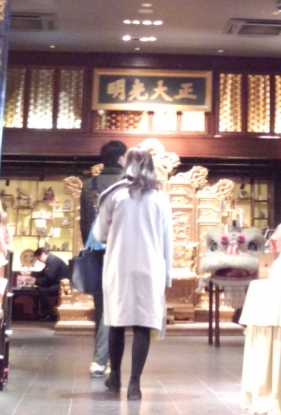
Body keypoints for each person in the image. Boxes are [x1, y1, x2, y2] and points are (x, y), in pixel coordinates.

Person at [94, 147, 172, 401]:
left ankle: (115, 376)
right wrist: (167, 275)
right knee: (143, 324)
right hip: (150, 268)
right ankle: (135, 383)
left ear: (126, 165)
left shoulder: (114, 194)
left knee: (117, 322)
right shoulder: (160, 199)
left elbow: (100, 235)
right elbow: (167, 240)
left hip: (120, 266)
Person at [81, 139, 127, 376]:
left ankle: (103, 359)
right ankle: (100, 360)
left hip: (95, 250)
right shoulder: (127, 185)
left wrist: (89, 249)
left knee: (101, 305)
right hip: (121, 251)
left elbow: (84, 222)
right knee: (113, 305)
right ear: (121, 158)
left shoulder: (90, 184)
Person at [31, 246, 68, 320]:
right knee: (38, 290)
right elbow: (43, 273)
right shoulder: (50, 260)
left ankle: (51, 313)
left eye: (39, 258)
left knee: (42, 291)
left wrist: (36, 281)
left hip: (62, 285)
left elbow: (49, 278)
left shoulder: (53, 261)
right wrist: (31, 274)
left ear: (43, 254)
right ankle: (45, 313)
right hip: (57, 283)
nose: (39, 261)